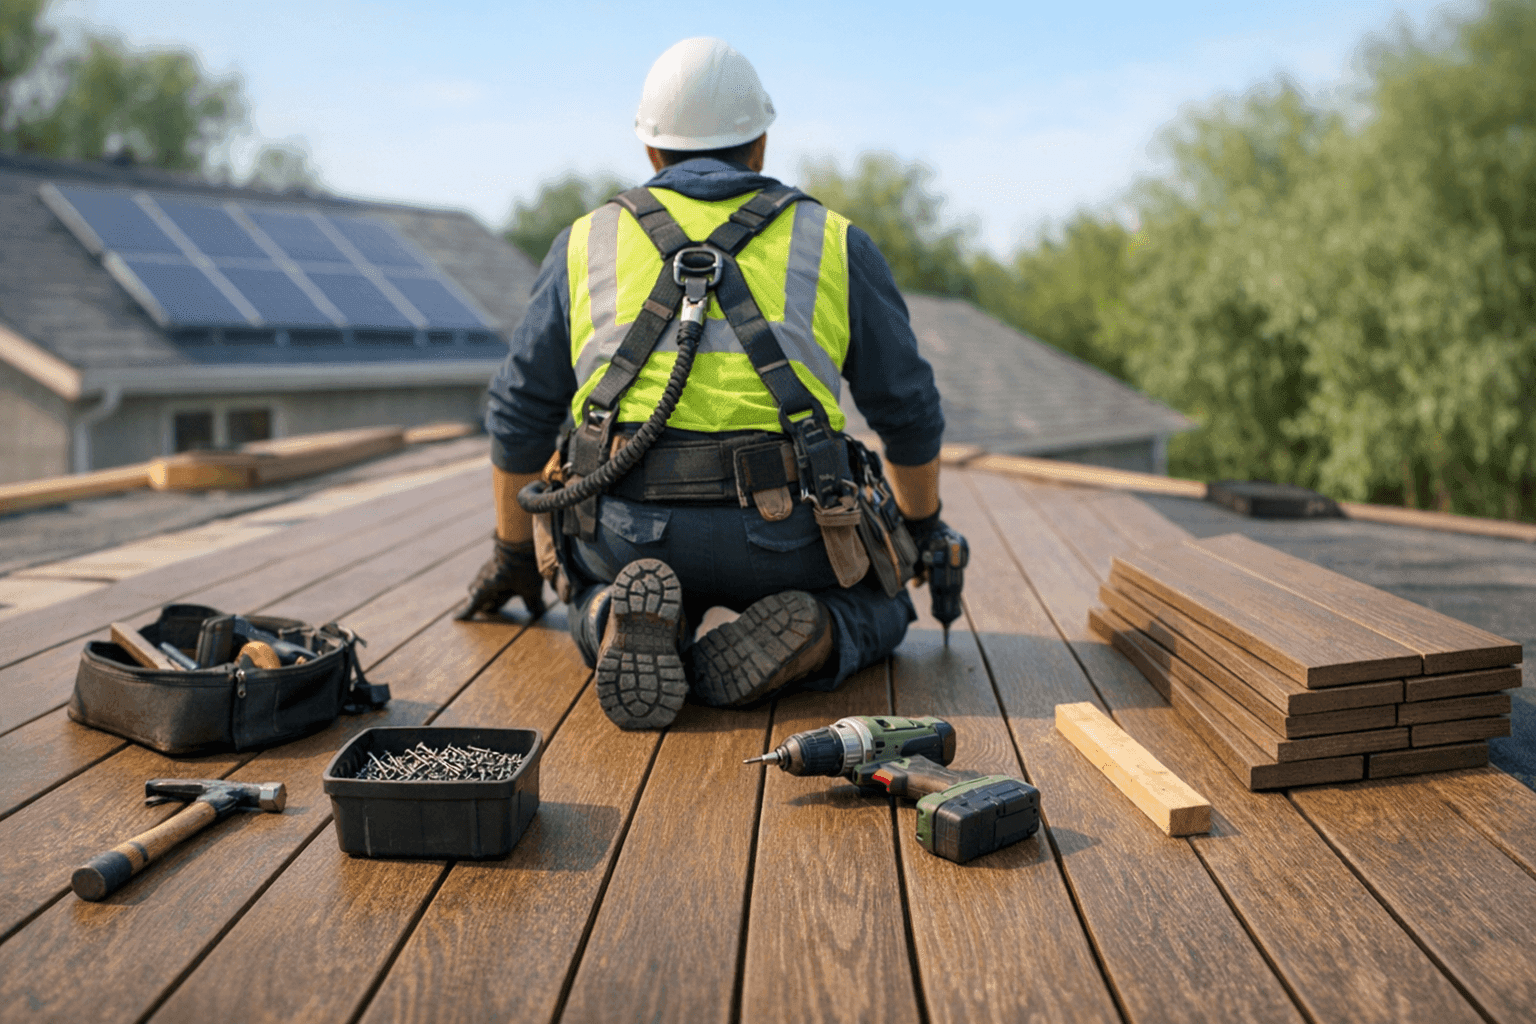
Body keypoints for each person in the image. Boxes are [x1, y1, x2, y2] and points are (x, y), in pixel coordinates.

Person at [464, 37, 959, 730]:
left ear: (651, 153)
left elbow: (518, 410)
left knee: (595, 583)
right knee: (885, 603)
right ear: (760, 145)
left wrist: (514, 554)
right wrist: (924, 528)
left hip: (626, 530)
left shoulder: (586, 239)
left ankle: (610, 614)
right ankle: (816, 631)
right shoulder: (834, 239)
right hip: (790, 537)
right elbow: (907, 410)